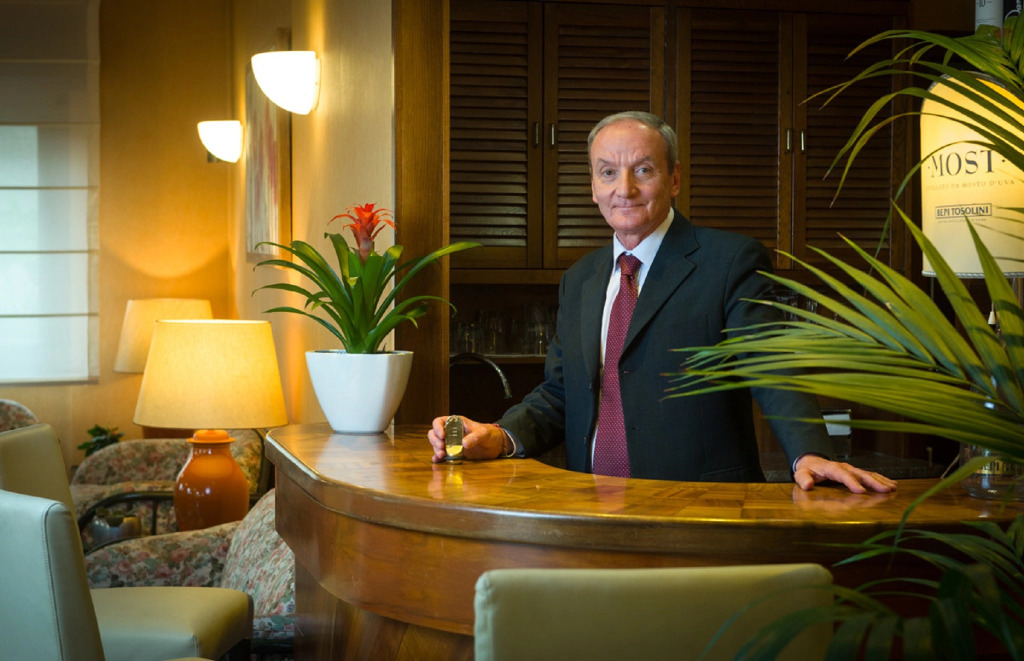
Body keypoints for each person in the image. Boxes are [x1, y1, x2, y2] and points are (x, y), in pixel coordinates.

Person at [429, 111, 896, 494]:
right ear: (592, 187)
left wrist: (809, 452)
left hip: (699, 507)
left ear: (674, 179)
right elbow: (561, 393)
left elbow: (769, 364)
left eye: (643, 170)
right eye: (607, 172)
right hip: (587, 508)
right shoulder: (581, 280)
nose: (624, 188)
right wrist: (501, 435)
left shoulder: (729, 261)